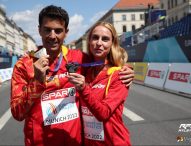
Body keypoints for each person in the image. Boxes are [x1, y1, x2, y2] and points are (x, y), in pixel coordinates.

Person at [10, 5, 134, 146]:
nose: (52, 36)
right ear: (39, 30)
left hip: (73, 141)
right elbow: (17, 113)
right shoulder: (24, 65)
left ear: (66, 32)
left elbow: (103, 64)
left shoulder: (78, 58)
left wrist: (126, 69)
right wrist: (37, 82)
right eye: (47, 30)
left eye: (58, 31)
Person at [67, 22, 131, 146]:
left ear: (112, 44)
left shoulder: (119, 74)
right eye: (95, 37)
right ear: (89, 41)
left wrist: (83, 88)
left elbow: (103, 113)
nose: (99, 43)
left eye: (105, 39)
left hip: (114, 142)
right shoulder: (86, 71)